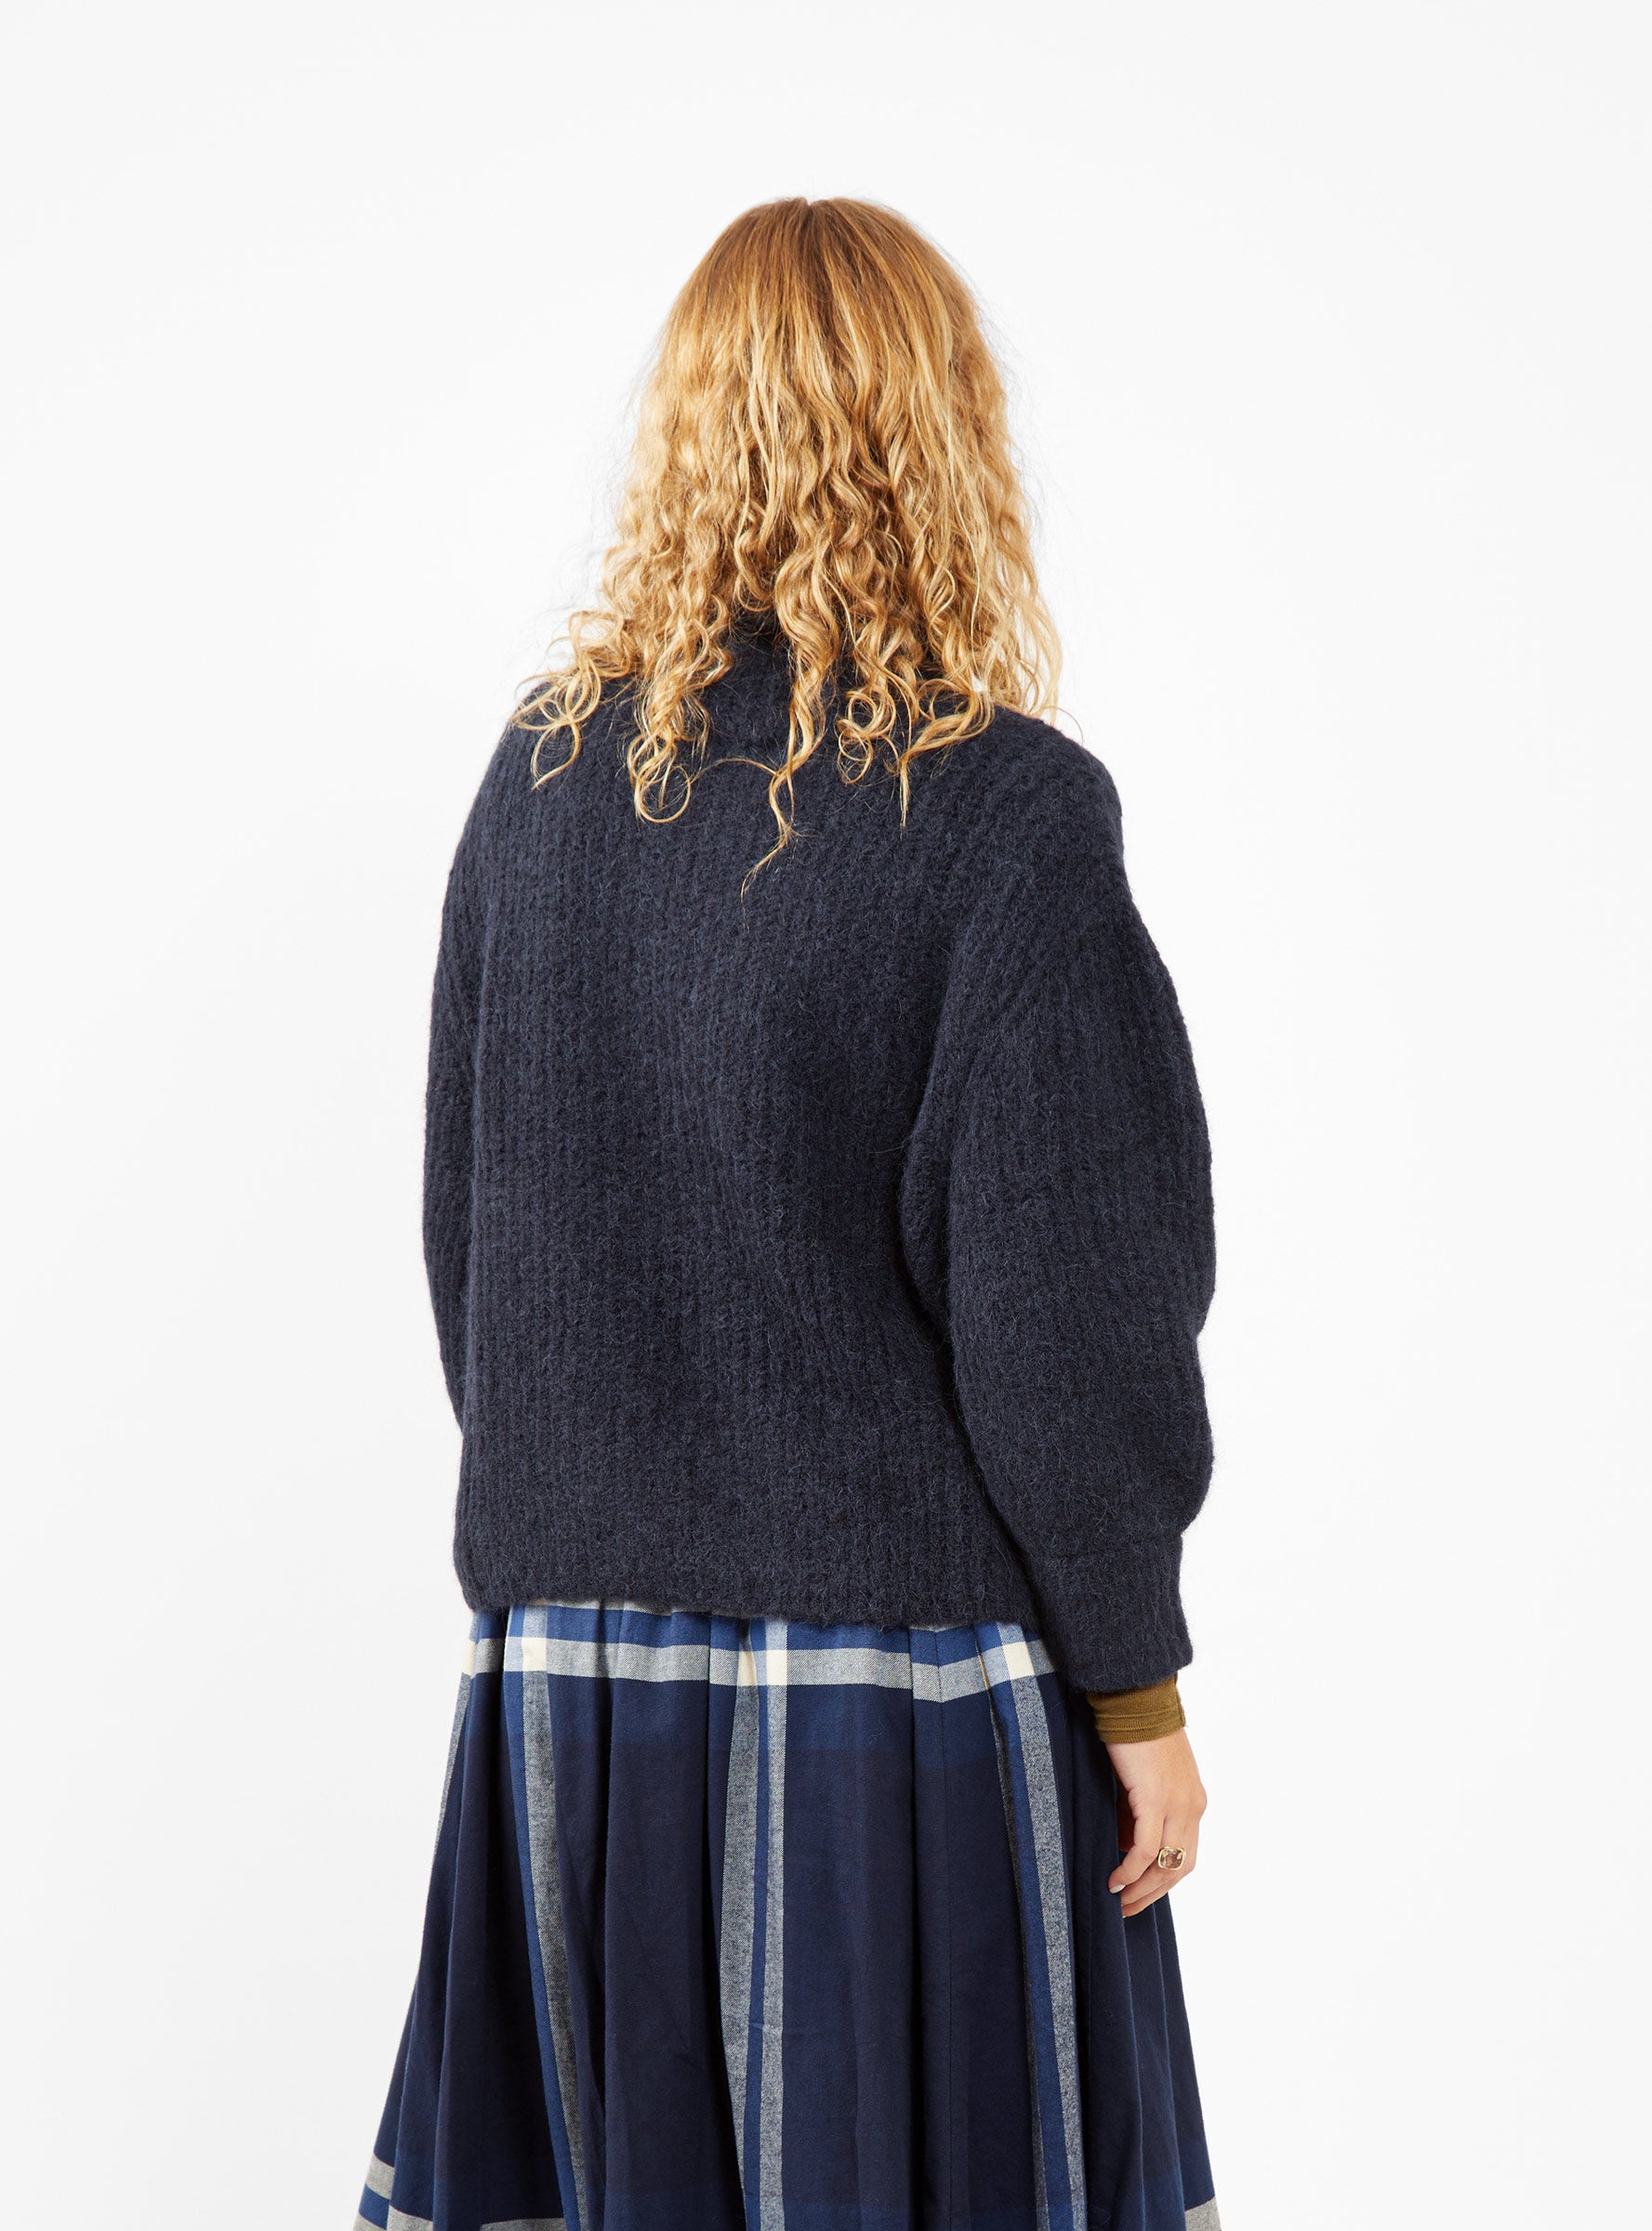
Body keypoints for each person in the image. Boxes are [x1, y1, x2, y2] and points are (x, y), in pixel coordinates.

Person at [356, 196, 1220, 2231]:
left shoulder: (538, 790)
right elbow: (1073, 1317)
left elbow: (469, 1247)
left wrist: (593, 1507)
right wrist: (1138, 1690)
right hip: (896, 1700)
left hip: (569, 1683)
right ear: (950, 439)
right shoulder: (1004, 817)